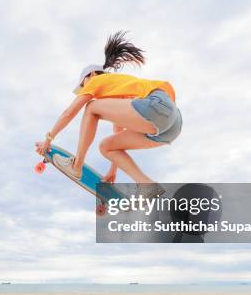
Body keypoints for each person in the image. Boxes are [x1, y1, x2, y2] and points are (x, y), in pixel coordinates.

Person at [35, 31, 182, 197]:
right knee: (106, 146)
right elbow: (118, 135)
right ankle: (147, 185)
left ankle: (77, 166)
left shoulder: (97, 80)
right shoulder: (120, 94)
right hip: (172, 125)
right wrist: (113, 170)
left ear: (90, 76)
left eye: (83, 85)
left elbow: (69, 113)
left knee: (91, 107)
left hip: (157, 104)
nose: (83, 90)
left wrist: (49, 139)